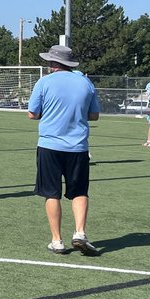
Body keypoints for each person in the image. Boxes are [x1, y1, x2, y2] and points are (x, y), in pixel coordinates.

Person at [27, 44, 102, 255]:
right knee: (79, 191)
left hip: (50, 145)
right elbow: (94, 115)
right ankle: (80, 232)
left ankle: (57, 240)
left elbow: (32, 113)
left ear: (52, 63)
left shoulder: (44, 82)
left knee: (51, 192)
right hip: (78, 146)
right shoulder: (85, 83)